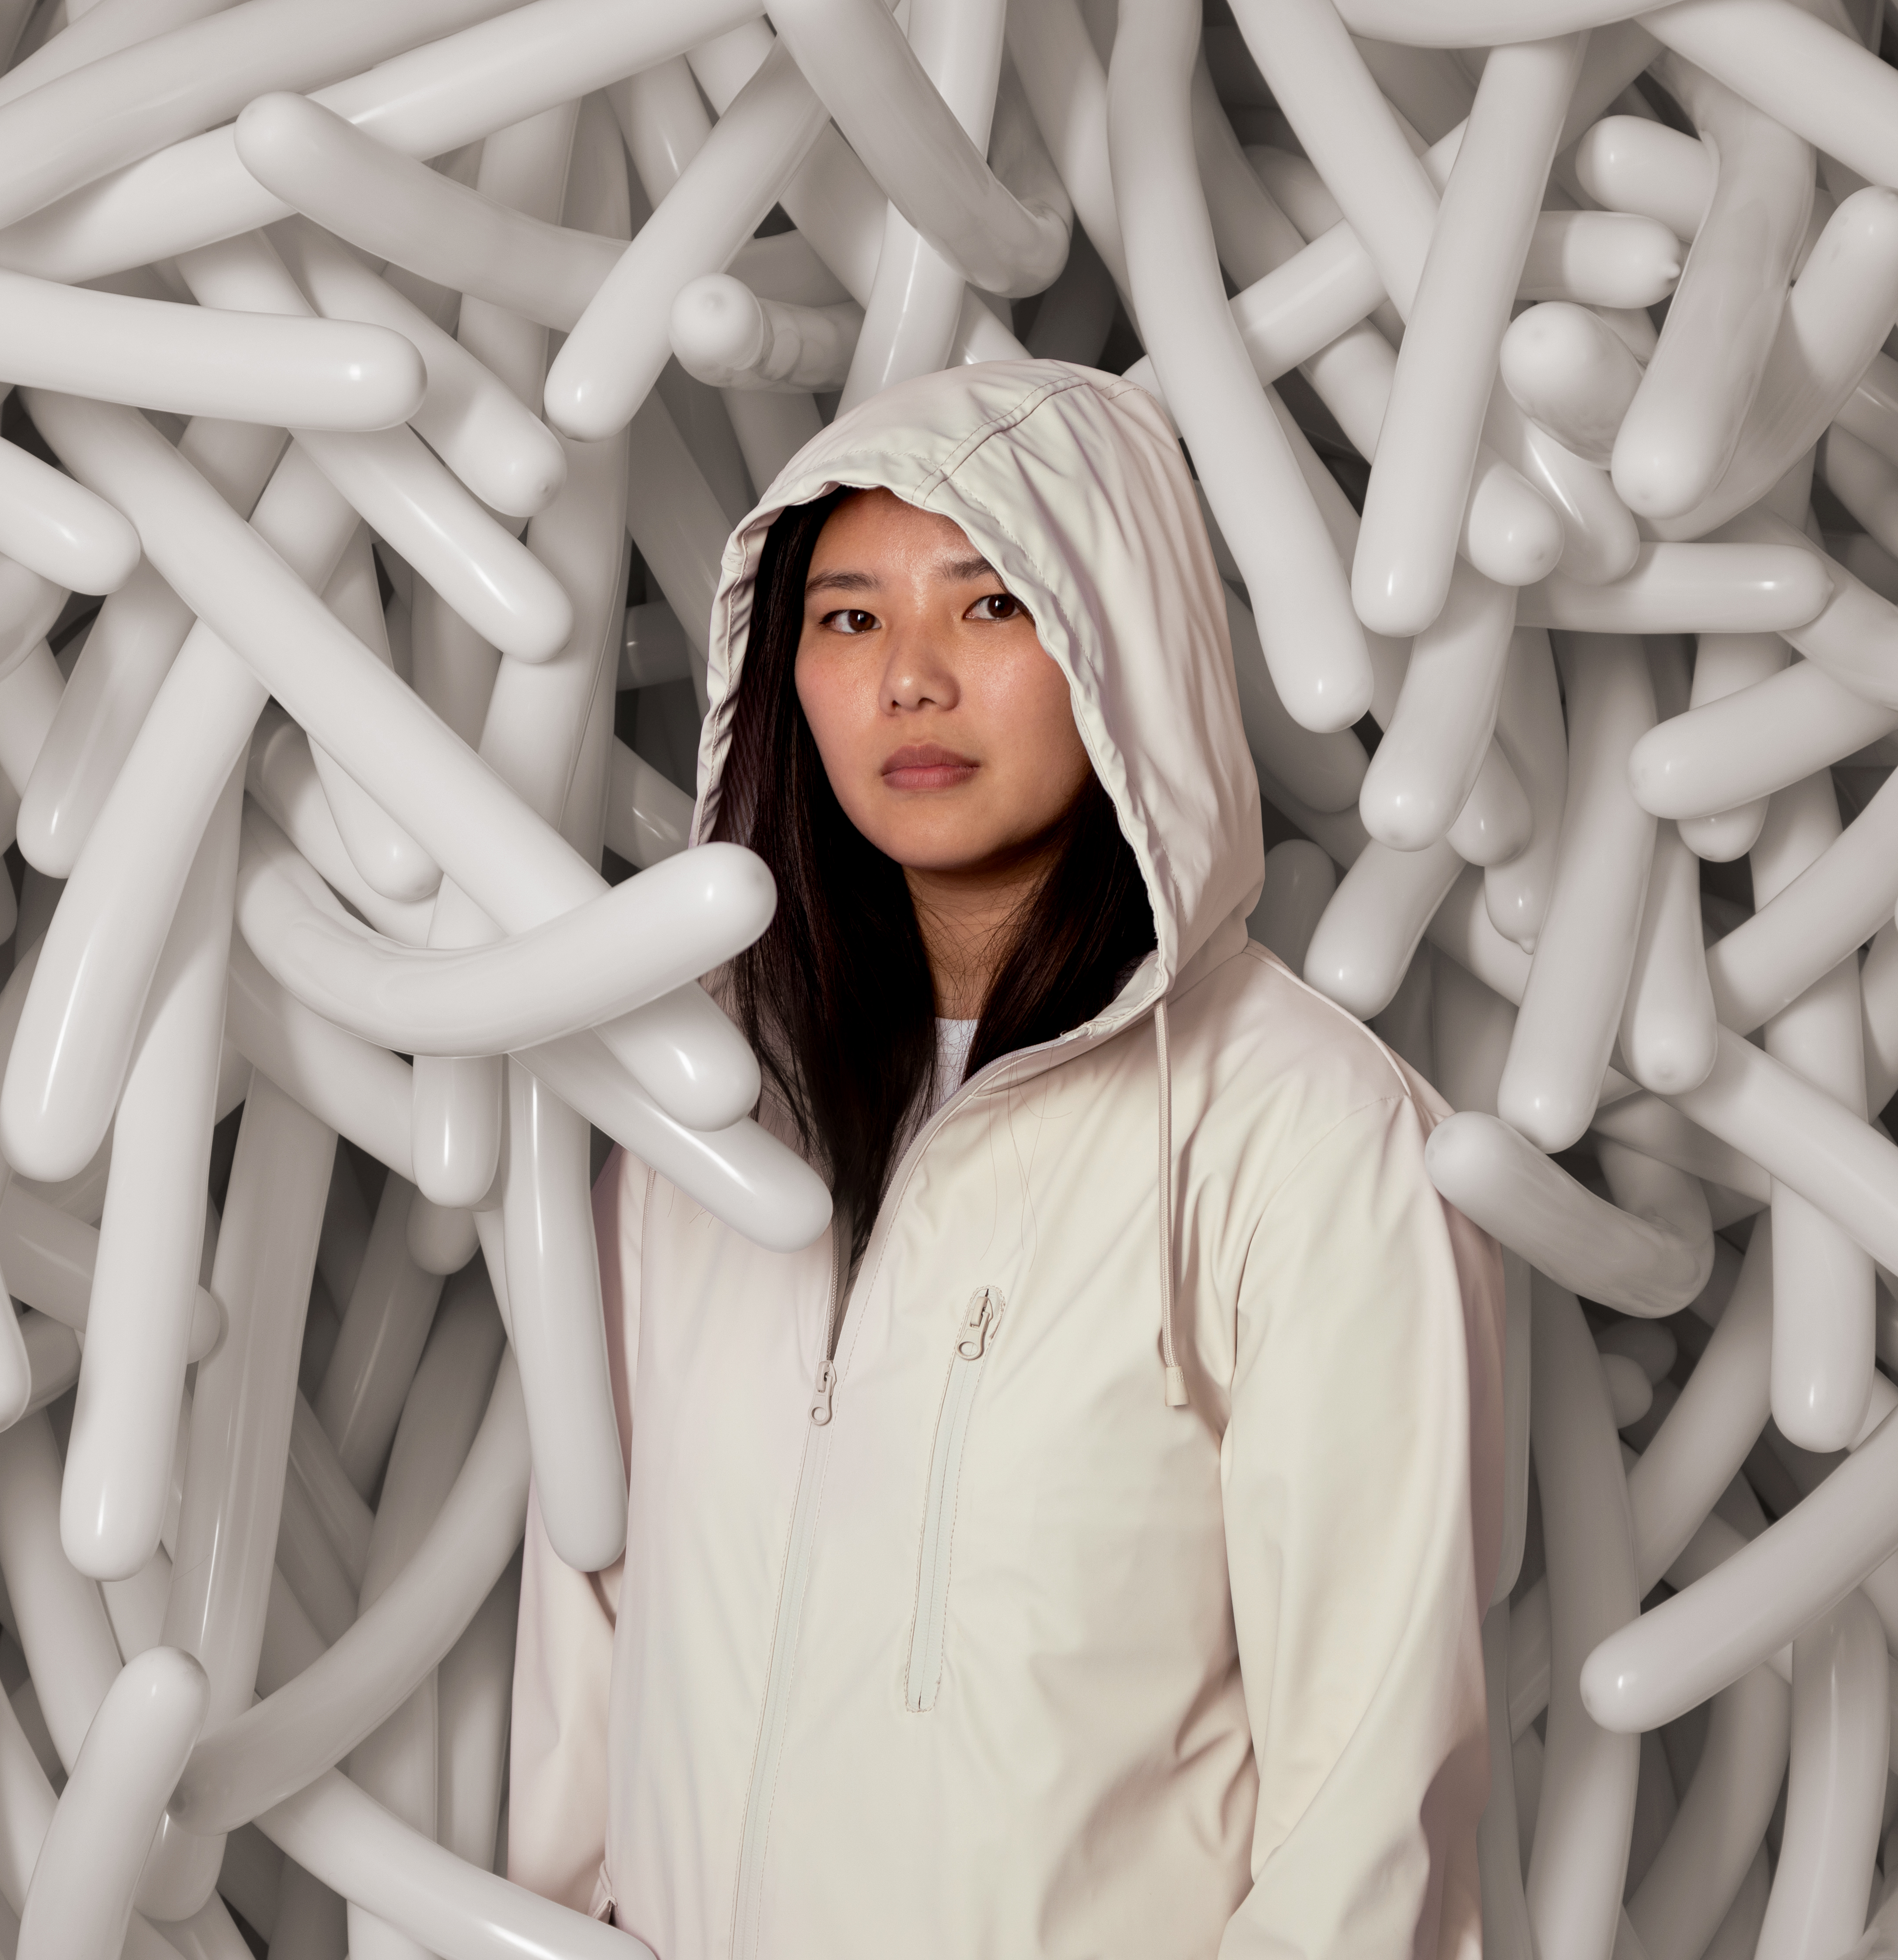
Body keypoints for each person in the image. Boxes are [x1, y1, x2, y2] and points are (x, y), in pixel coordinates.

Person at [508, 360, 1507, 1959]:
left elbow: (1369, 1813)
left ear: (1125, 647)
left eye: (988, 607)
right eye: (847, 619)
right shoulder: (713, 1115)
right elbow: (589, 1668)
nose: (909, 680)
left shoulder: (1302, 1134)